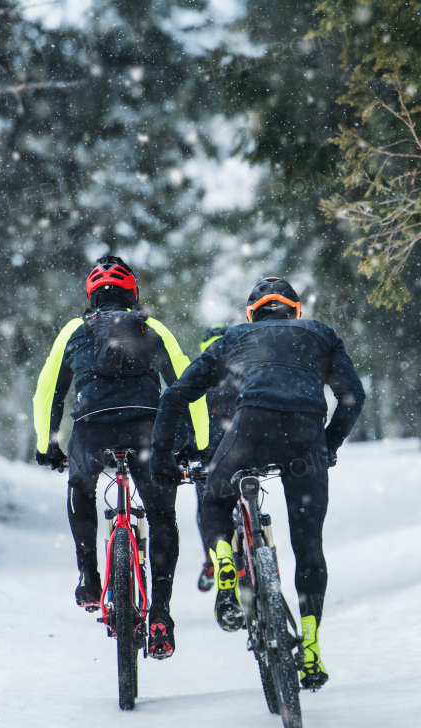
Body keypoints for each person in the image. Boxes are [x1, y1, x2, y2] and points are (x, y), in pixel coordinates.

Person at [149, 277, 364, 690]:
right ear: (295, 311)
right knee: (308, 544)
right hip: (305, 436)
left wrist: (161, 457)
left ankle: (225, 557)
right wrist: (327, 444)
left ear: (253, 314)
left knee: (214, 499)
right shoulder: (321, 335)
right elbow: (353, 396)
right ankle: (312, 644)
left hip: (251, 428)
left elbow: (177, 395)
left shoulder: (235, 337)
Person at [32, 255, 208, 660]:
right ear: (133, 293)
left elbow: (47, 391)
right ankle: (161, 613)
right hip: (147, 433)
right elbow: (185, 385)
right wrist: (197, 444)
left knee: (81, 486)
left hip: (92, 433)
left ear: (92, 296)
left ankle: (89, 578)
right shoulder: (151, 327)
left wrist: (47, 446)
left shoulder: (75, 330)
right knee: (162, 516)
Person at [194, 323, 242, 584]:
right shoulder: (243, 370)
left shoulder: (201, 372)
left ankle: (212, 556)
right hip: (244, 450)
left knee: (206, 505)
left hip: (209, 455)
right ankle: (254, 537)